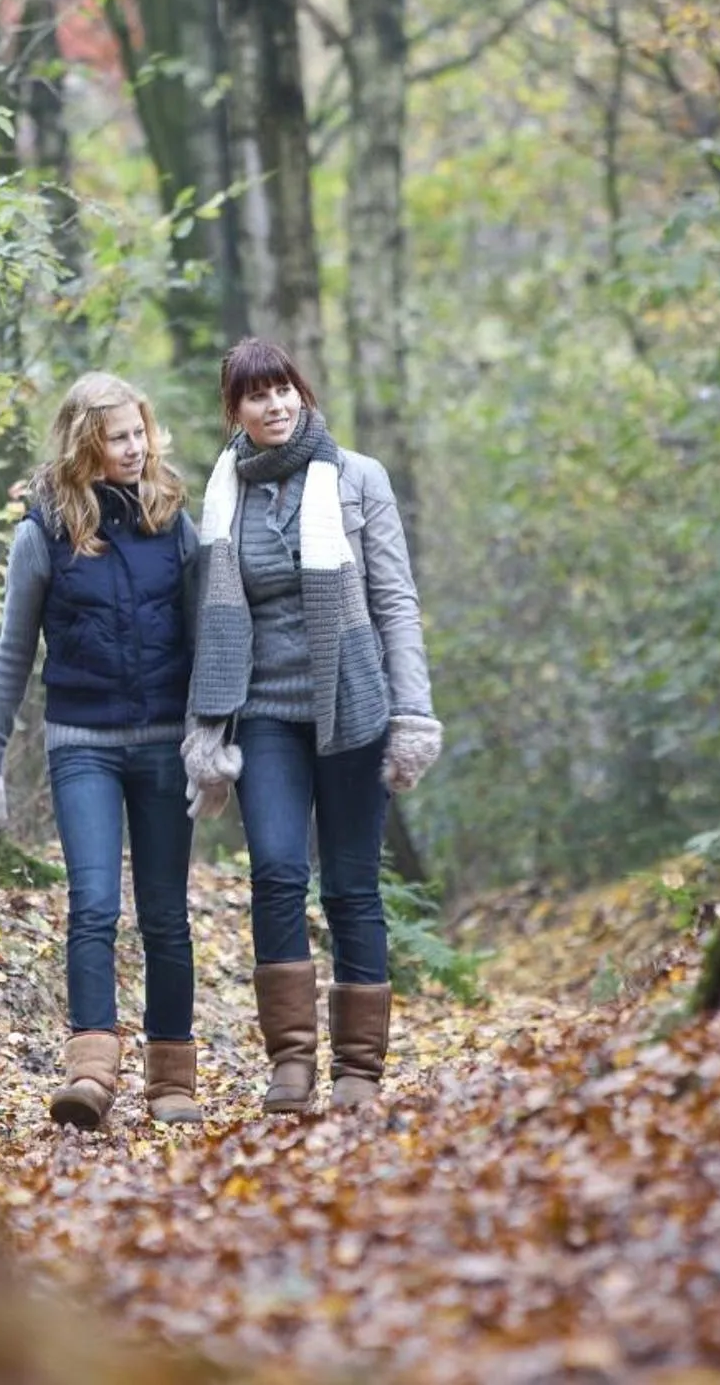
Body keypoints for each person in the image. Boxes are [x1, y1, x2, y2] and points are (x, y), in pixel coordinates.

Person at [182, 338, 442, 1114]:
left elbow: (396, 601)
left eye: (285, 388)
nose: (276, 405)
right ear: (235, 411)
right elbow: (209, 618)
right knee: (276, 874)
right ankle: (290, 1062)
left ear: (303, 391)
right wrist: (205, 722)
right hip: (264, 712)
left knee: (353, 885)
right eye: (257, 396)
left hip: (354, 707)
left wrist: (413, 711)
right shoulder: (224, 492)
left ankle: (358, 1069)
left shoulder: (359, 479)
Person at [0, 372, 203, 1129]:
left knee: (165, 914)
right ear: (83, 445)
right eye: (118, 438)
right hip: (83, 744)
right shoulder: (43, 534)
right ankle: (92, 1074)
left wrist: (214, 735)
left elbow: (208, 638)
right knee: (93, 905)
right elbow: (12, 651)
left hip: (166, 743)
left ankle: (173, 1078)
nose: (135, 449)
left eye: (141, 434)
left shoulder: (176, 522)